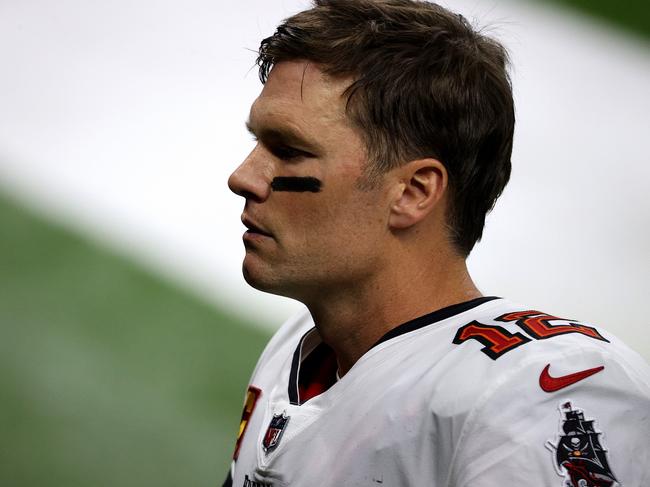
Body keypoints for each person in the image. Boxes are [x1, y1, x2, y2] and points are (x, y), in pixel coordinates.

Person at [224, 1, 650, 486]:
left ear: (412, 192)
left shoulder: (542, 391)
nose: (243, 177)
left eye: (290, 151)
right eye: (258, 143)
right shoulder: (299, 350)